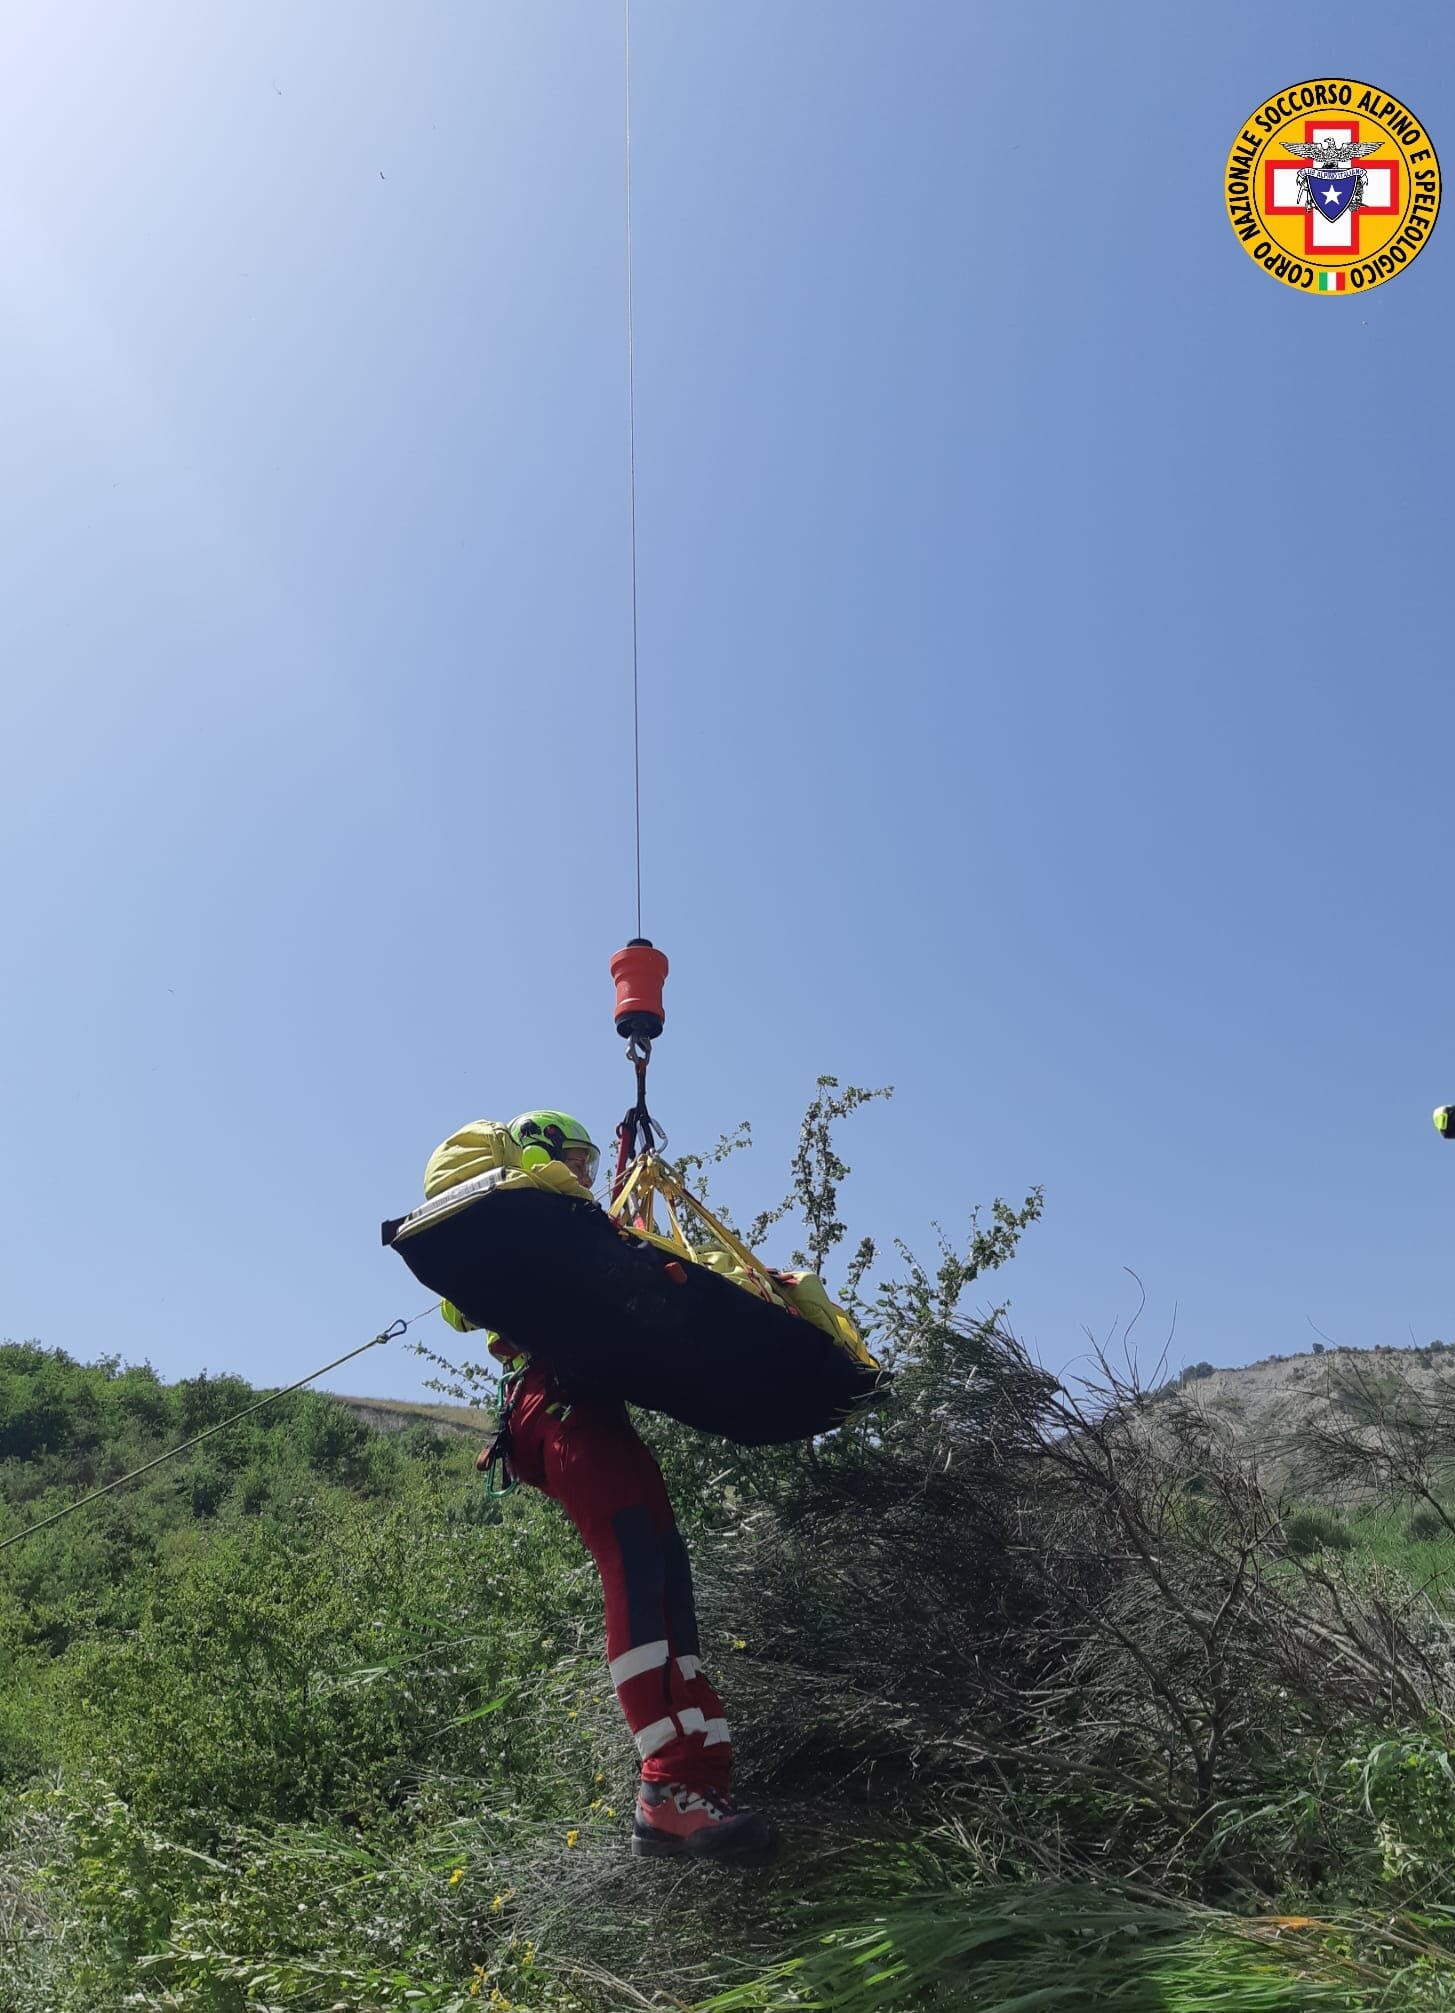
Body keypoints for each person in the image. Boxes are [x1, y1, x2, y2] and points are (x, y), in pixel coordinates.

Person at [426, 1109, 779, 1866]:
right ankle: (665, 1785)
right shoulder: (514, 1228)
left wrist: (624, 1161)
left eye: (591, 1163)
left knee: (665, 1564)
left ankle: (700, 1778)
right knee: (633, 1556)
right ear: (536, 1151)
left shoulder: (558, 1226)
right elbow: (497, 1285)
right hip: (554, 1409)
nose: (584, 1176)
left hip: (585, 1407)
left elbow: (604, 1238)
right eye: (575, 1160)